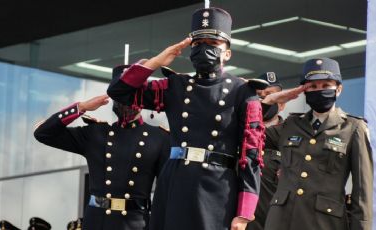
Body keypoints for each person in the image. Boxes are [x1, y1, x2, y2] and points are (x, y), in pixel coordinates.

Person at [107, 7, 265, 230]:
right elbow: (120, 92)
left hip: (217, 188)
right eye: (198, 44)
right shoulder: (175, 86)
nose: (204, 49)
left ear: (227, 53)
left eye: (212, 44)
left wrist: (245, 212)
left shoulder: (242, 91)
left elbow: (251, 155)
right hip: (175, 183)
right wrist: (157, 61)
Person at [34, 65, 170, 230]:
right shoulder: (96, 134)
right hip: (97, 221)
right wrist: (81, 107)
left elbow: (166, 193)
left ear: (141, 97)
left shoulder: (159, 138)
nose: (125, 100)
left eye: (131, 93)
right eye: (120, 95)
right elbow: (44, 134)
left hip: (135, 223)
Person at [261, 57, 373, 230]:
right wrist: (268, 102)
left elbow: (362, 191)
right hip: (281, 221)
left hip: (324, 223)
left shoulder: (353, 128)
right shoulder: (290, 125)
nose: (319, 90)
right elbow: (250, 134)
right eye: (312, 87)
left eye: (326, 85)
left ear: (339, 89)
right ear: (304, 91)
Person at [247, 72, 284, 230]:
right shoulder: (240, 134)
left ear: (281, 103)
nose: (264, 100)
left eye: (270, 95)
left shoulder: (292, 135)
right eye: (259, 95)